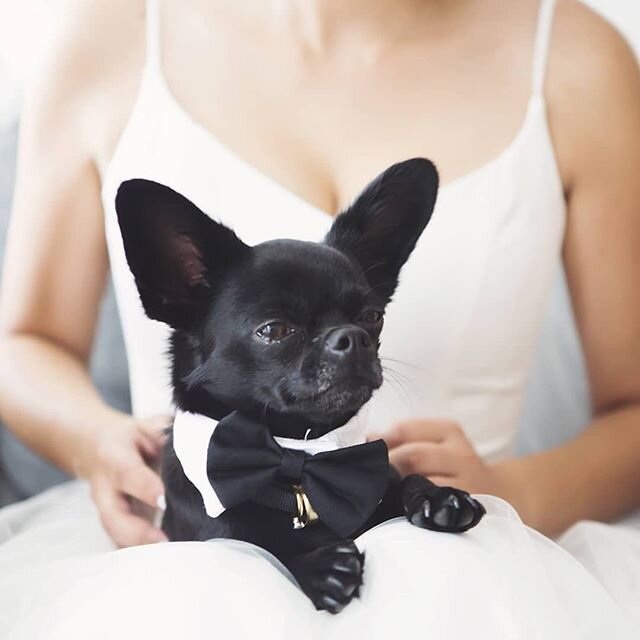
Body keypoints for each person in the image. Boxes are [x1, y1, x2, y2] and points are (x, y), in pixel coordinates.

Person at [0, 0, 639, 636]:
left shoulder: (576, 58)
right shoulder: (104, 35)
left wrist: (515, 491)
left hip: (476, 571)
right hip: (178, 563)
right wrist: (95, 442)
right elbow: (21, 343)